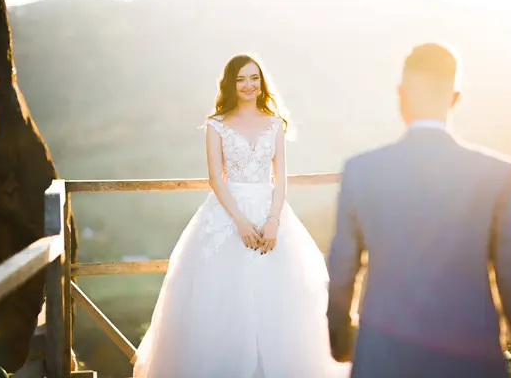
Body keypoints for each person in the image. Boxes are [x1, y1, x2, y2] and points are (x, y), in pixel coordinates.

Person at [326, 43, 511, 378]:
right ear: (454, 98)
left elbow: (342, 265)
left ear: (401, 95)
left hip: (383, 357)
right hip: (472, 357)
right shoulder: (494, 172)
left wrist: (339, 335)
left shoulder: (360, 171)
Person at [133, 54, 350, 377]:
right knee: (221, 300)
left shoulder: (274, 123)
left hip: (271, 212)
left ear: (261, 83)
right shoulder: (216, 124)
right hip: (226, 214)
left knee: (282, 300)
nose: (249, 85)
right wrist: (240, 221)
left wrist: (273, 221)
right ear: (230, 84)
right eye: (241, 79)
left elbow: (281, 179)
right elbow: (216, 179)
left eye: (254, 78)